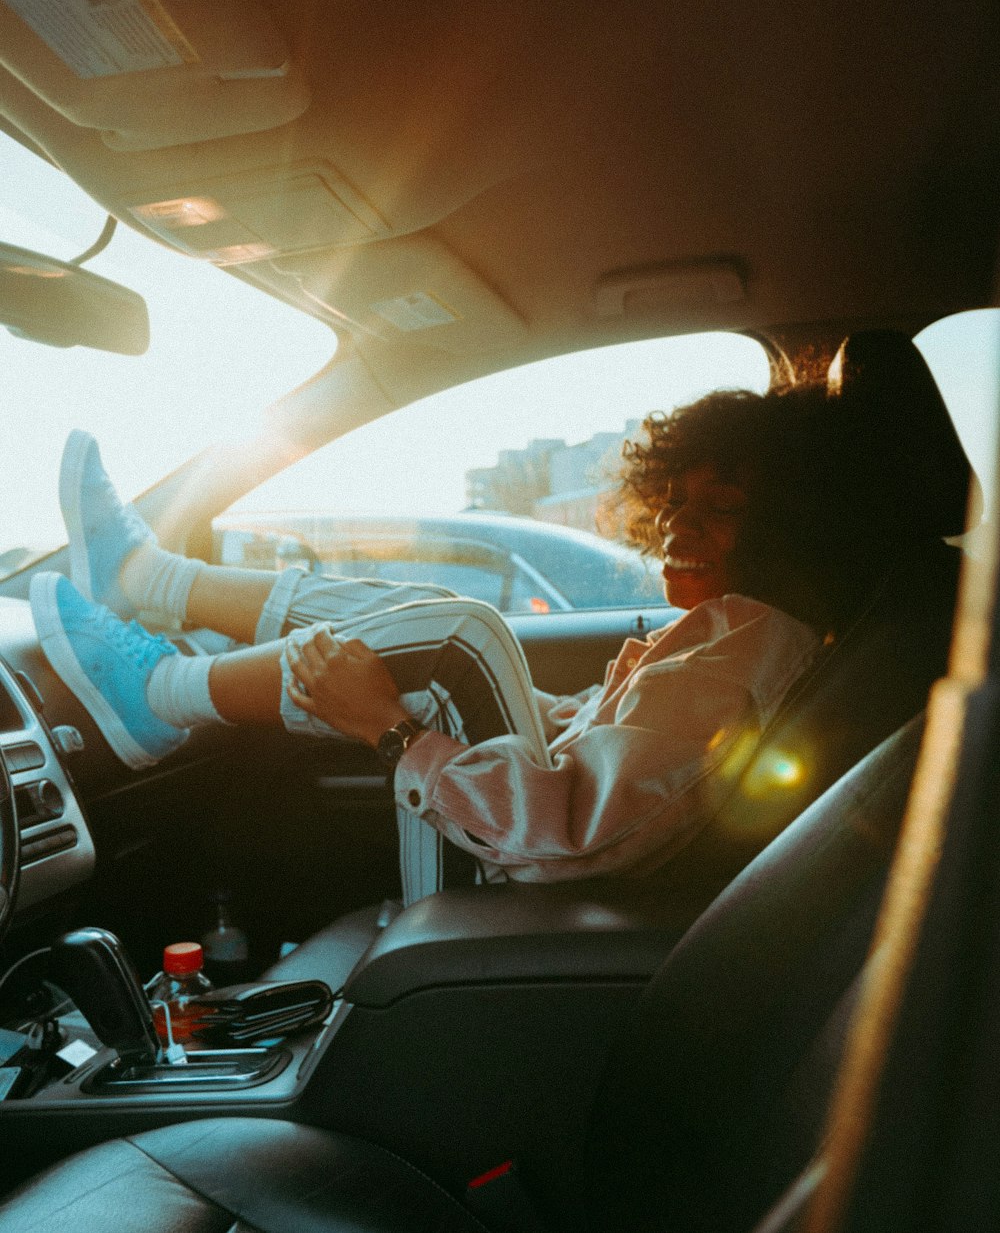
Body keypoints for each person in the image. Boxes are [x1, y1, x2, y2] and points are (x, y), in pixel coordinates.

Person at [30, 387, 894, 905]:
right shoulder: (726, 633)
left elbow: (580, 834)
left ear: (790, 526)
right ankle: (163, 658)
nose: (678, 525)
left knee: (460, 639)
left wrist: (396, 735)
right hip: (524, 874)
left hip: (525, 897)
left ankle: (157, 641)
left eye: (721, 508)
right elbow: (602, 751)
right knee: (466, 644)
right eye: (676, 499)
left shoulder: (744, 644)